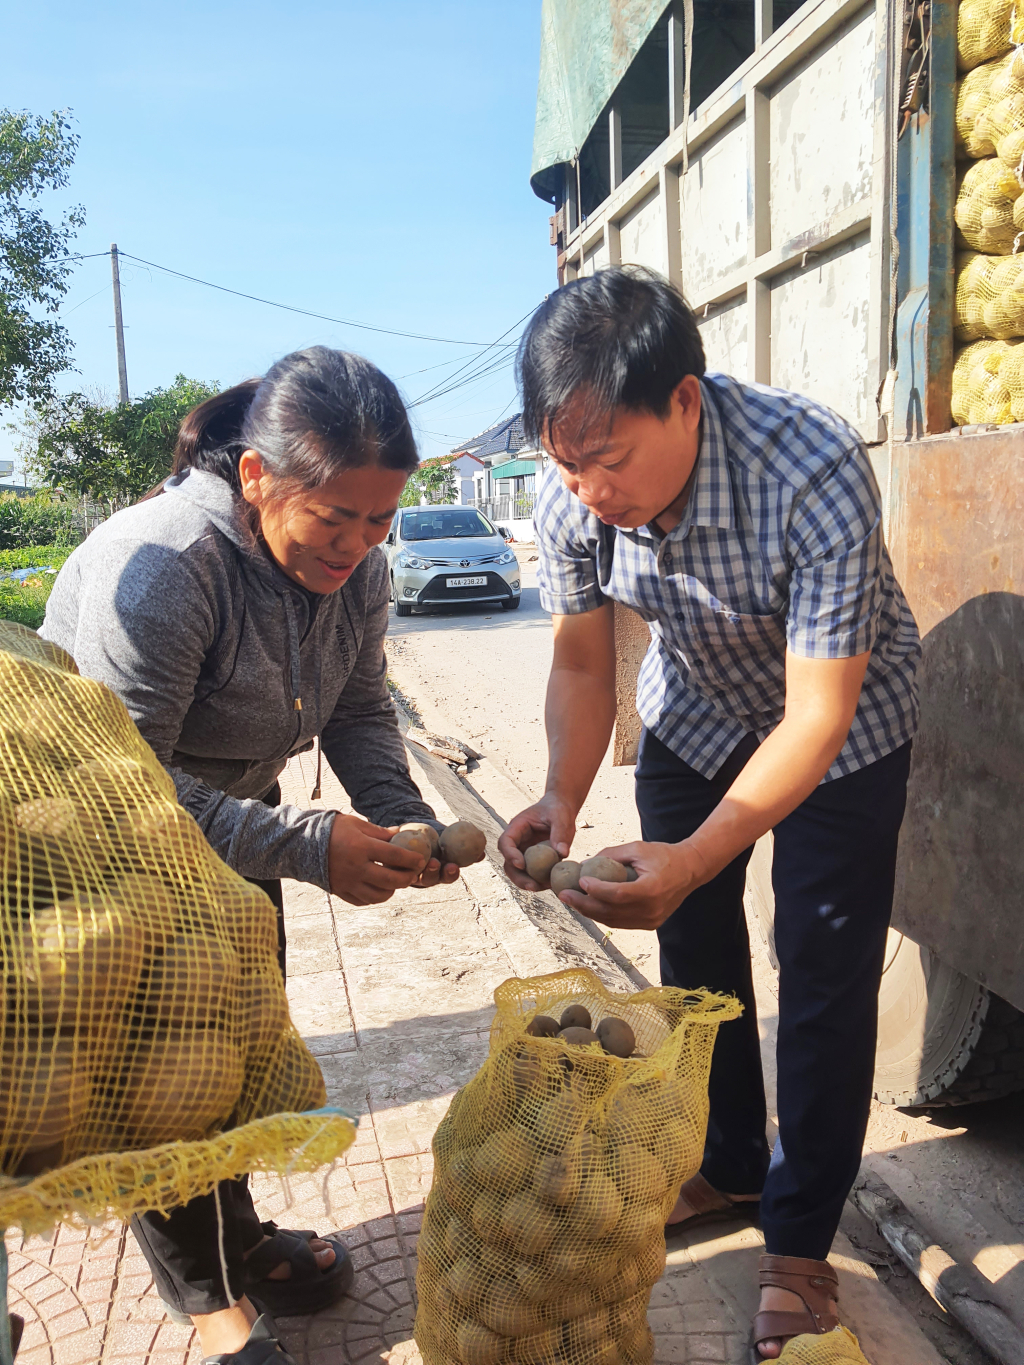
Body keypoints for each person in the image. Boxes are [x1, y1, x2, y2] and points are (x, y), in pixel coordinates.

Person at [497, 267, 920, 1361]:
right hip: (692, 708)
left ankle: (799, 1241)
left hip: (844, 725)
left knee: (820, 967)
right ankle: (730, 1156)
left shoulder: (808, 464)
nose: (589, 490)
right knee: (692, 958)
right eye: (567, 464)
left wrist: (694, 852)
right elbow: (585, 669)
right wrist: (557, 797)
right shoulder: (570, 490)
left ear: (684, 400)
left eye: (610, 460)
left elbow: (817, 714)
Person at [41, 346, 459, 1365]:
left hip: (228, 824)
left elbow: (359, 707)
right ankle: (212, 1309)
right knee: (162, 1072)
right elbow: (126, 775)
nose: (359, 545)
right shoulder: (170, 570)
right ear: (259, 479)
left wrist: (403, 820)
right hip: (93, 836)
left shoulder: (358, 571)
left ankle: (234, 1239)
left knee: (234, 1047)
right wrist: (308, 845)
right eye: (337, 520)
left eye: (379, 520)